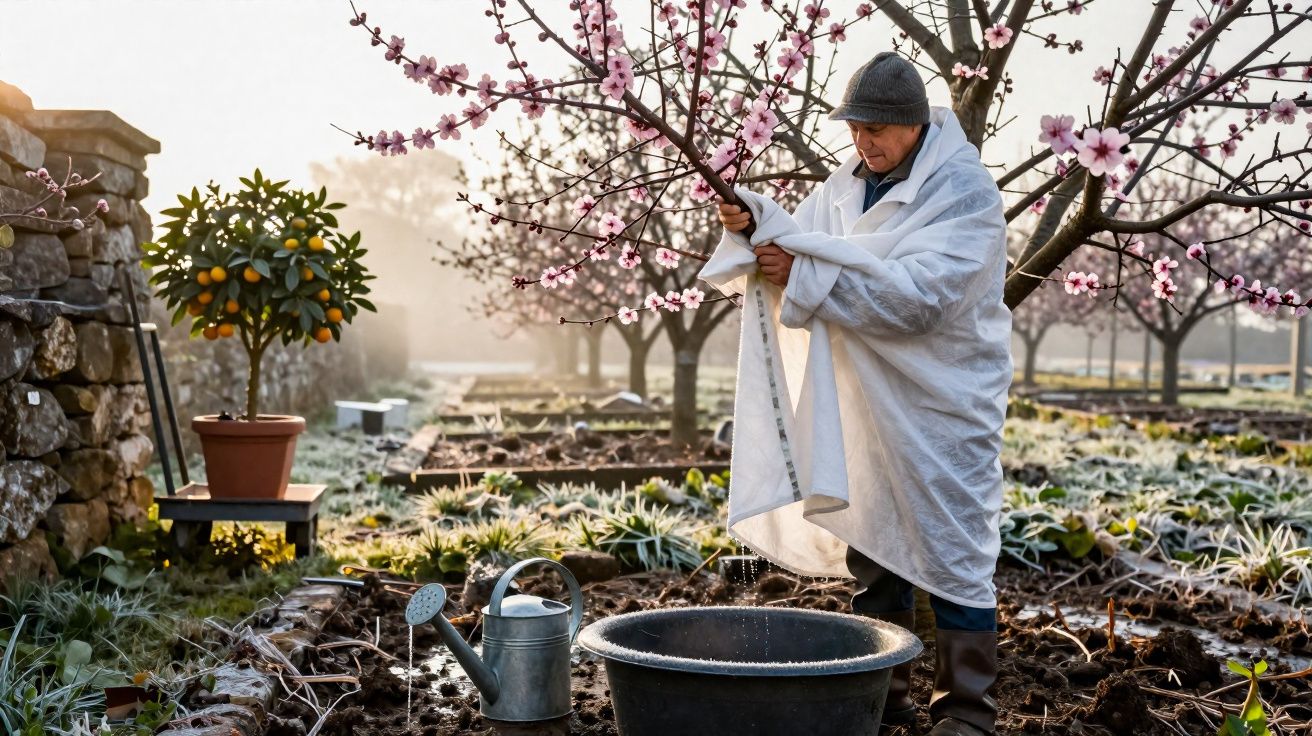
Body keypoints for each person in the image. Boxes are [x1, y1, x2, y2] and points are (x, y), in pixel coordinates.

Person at [707, 51, 1011, 736]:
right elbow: (801, 236)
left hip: (941, 402)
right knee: (874, 548)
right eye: (854, 129)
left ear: (912, 126)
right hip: (864, 395)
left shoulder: (964, 193)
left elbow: (925, 299)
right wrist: (753, 225)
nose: (864, 143)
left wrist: (805, 275)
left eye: (877, 129)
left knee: (951, 548)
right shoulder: (847, 183)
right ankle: (885, 692)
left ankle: (967, 711)